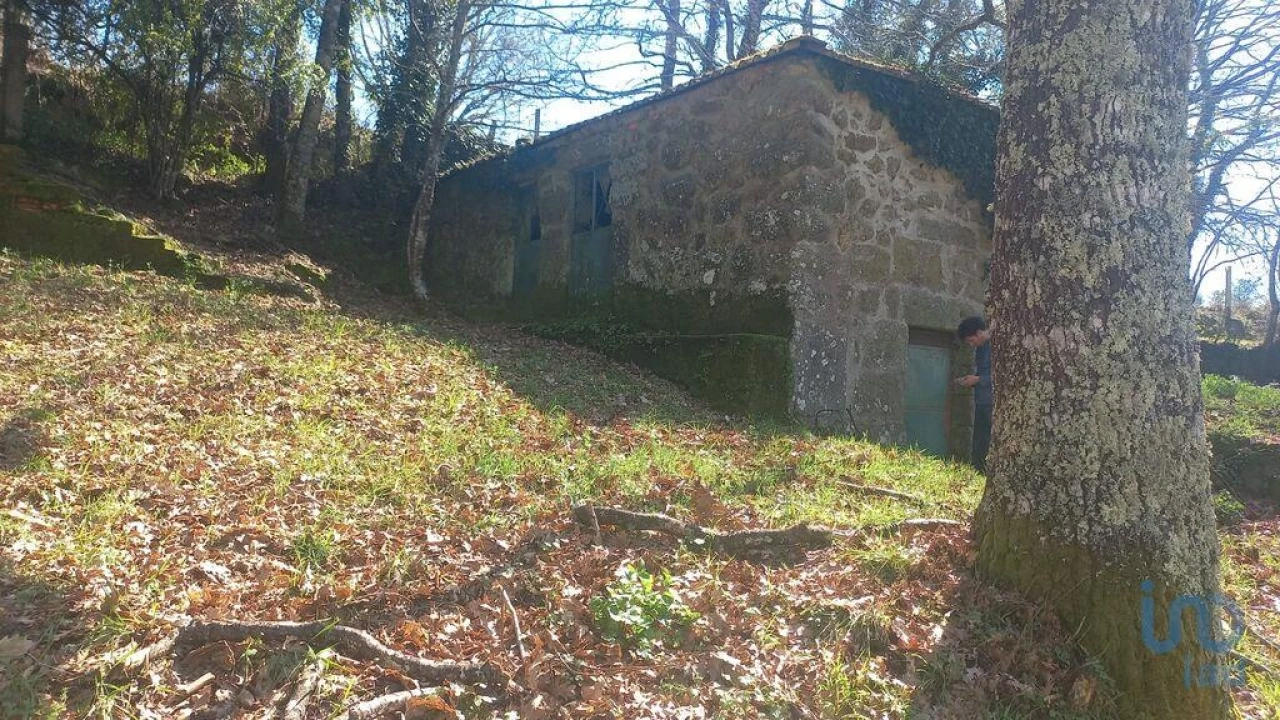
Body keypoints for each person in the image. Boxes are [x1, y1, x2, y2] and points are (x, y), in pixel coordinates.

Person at [956, 316, 992, 472]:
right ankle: (978, 472)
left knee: (988, 441)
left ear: (979, 333)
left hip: (993, 402)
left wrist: (977, 380)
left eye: (971, 340)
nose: (971, 345)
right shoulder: (981, 349)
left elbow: (1004, 377)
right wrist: (970, 380)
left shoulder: (999, 345)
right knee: (979, 442)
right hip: (982, 401)